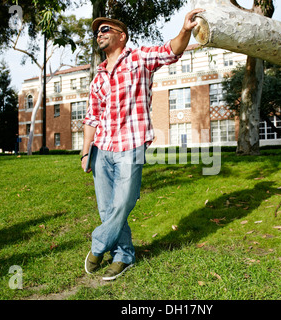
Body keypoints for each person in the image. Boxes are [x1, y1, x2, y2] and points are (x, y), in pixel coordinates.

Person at [81, 8, 205, 281]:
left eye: (105, 30)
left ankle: (98, 245)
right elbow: (92, 116)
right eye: (97, 31)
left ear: (122, 36)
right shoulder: (98, 77)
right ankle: (124, 255)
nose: (99, 34)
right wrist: (85, 150)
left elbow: (170, 51)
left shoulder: (138, 58)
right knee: (106, 208)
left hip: (131, 144)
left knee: (123, 202)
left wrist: (185, 30)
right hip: (101, 148)